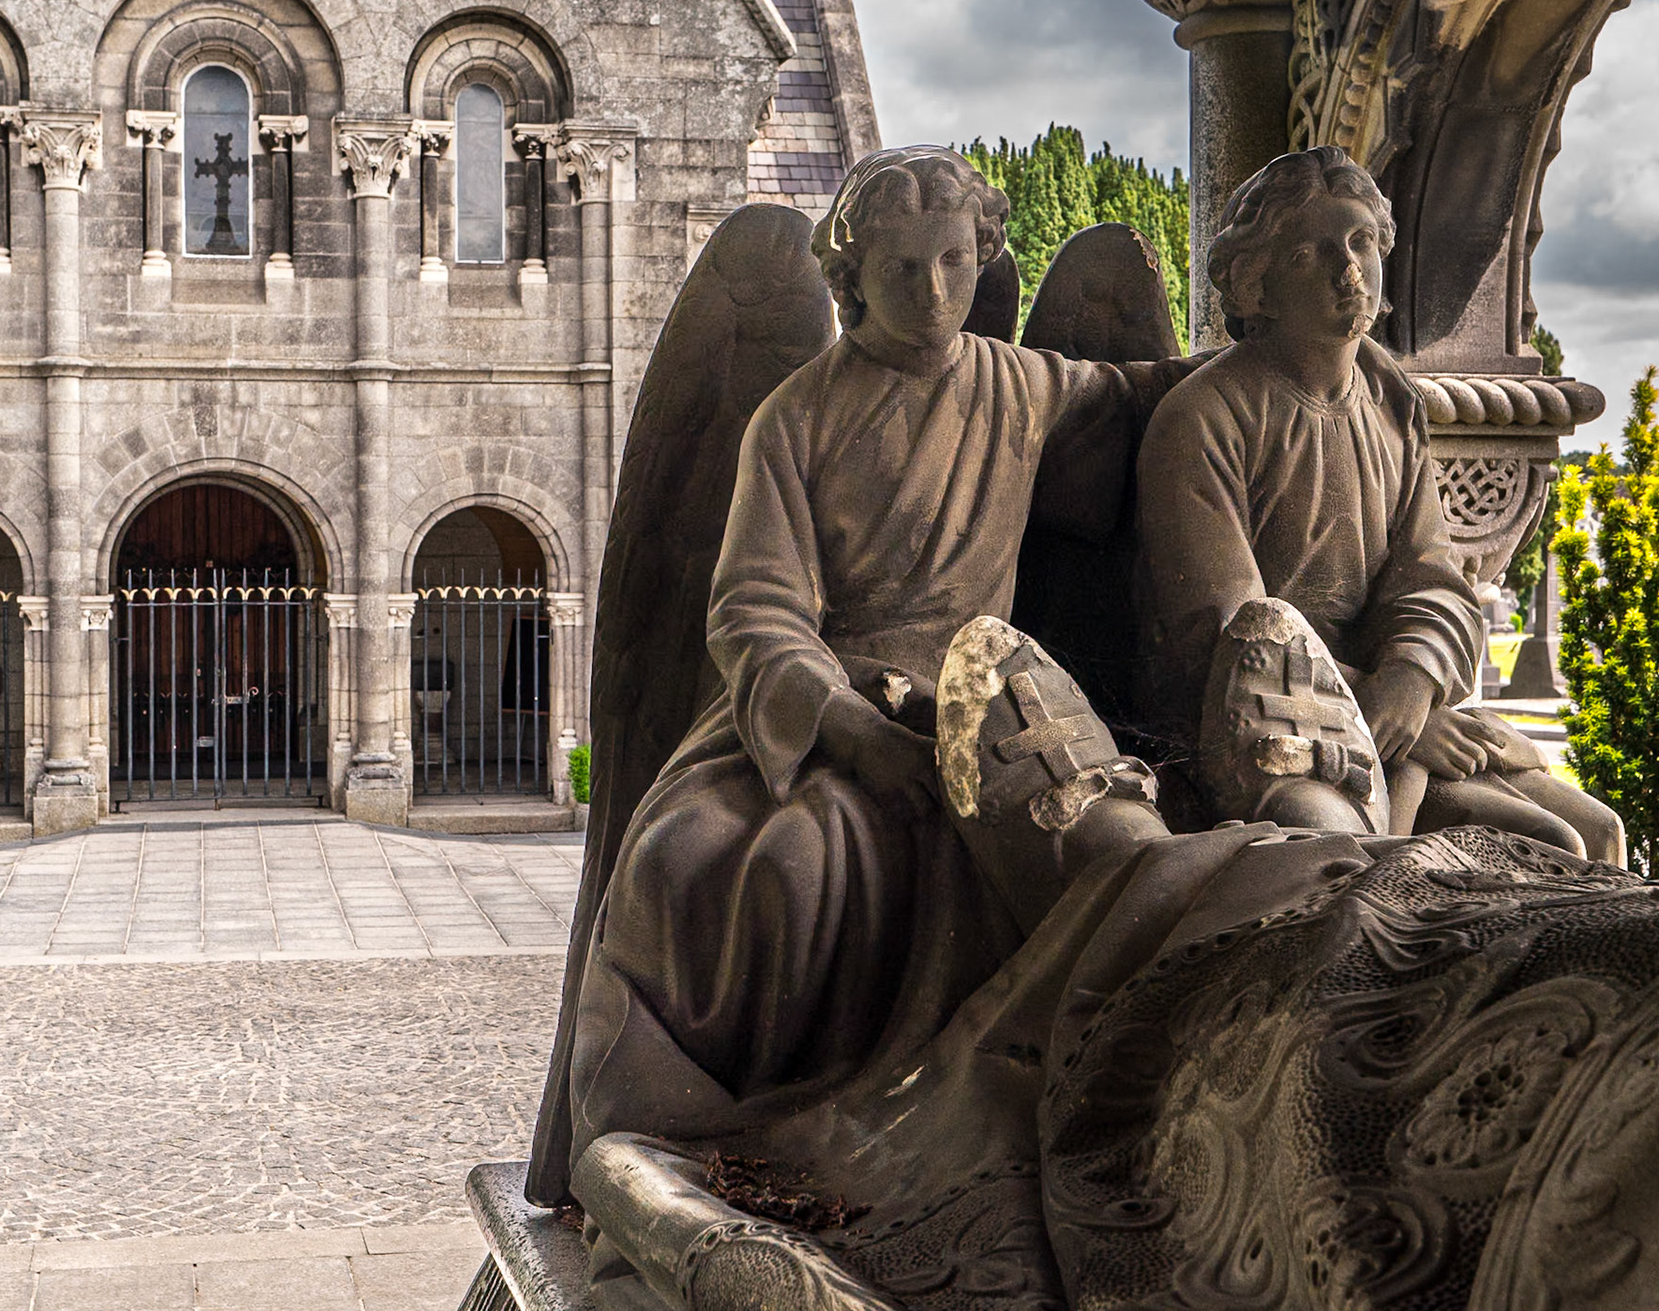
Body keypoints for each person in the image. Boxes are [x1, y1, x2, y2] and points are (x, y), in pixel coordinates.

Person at [565, 147, 1191, 1163]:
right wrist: (847, 729)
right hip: (818, 707)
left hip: (978, 702)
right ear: (850, 278)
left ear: (981, 254)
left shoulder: (1024, 389)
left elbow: (1152, 396)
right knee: (701, 860)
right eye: (902, 270)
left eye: (953, 262)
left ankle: (928, 1116)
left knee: (854, 856)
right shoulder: (796, 416)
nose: (936, 292)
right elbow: (755, 610)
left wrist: (1269, 364)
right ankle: (745, 1138)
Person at [1135, 146, 1622, 860]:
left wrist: (1413, 676)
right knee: (1542, 843)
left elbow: (1432, 576)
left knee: (1596, 829)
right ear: (1254, 285)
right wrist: (1387, 713)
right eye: (1310, 253)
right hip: (1266, 732)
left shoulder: (1390, 399)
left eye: (1363, 241)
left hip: (1390, 704)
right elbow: (1229, 631)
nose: (1349, 271)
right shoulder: (1206, 418)